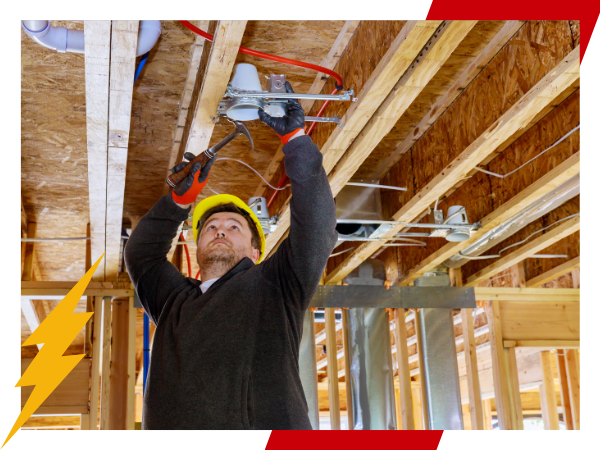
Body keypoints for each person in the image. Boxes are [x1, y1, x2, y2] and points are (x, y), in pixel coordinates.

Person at [124, 82, 338, 430]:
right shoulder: (173, 301)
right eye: (210, 227)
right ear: (197, 249)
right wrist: (178, 201)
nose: (220, 229)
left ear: (256, 251)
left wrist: (296, 141)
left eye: (234, 226)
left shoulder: (277, 286)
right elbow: (141, 254)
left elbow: (316, 224)